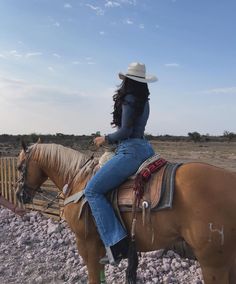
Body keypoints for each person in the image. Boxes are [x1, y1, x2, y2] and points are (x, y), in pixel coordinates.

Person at [84, 62, 157, 265]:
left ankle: (117, 246)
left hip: (130, 150)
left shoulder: (129, 99)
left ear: (127, 81)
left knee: (92, 191)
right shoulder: (145, 101)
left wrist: (104, 139)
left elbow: (124, 132)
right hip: (146, 148)